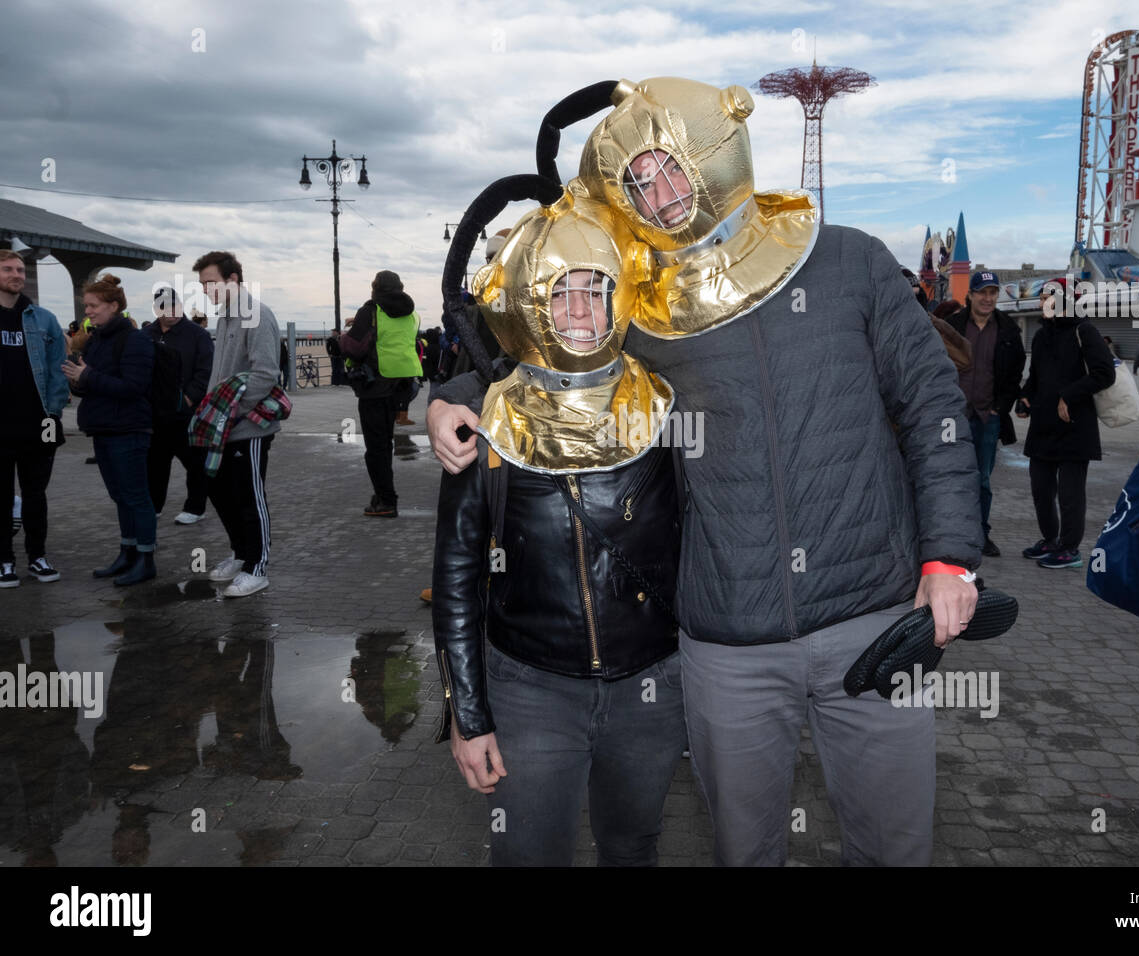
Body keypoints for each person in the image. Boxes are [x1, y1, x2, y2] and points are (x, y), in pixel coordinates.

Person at [430, 77, 981, 866]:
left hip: (875, 613)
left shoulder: (852, 262)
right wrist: (450, 398)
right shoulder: (648, 315)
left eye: (665, 167)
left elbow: (936, 408)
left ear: (707, 151)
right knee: (744, 853)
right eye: (636, 183)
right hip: (727, 646)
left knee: (895, 848)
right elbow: (546, 359)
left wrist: (950, 555)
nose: (656, 196)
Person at [435, 174, 685, 866]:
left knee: (633, 847)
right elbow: (456, 582)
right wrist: (468, 715)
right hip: (529, 686)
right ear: (533, 302)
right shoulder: (484, 421)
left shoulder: (665, 407)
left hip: (651, 684)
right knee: (527, 854)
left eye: (595, 290)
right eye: (561, 292)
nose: (580, 309)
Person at [193, 251, 281, 598]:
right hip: (221, 427)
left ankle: (257, 568)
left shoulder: (256, 315)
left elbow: (265, 374)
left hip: (248, 428)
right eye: (202, 285)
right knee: (221, 492)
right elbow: (221, 373)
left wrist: (229, 412)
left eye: (211, 282)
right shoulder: (225, 318)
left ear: (232, 280)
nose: (205, 290)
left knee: (249, 497)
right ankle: (241, 554)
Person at [61, 274, 156, 586]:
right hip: (103, 428)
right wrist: (78, 382)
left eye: (93, 305)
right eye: (86, 305)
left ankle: (145, 559)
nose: (87, 311)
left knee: (136, 496)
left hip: (129, 429)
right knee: (120, 496)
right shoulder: (97, 339)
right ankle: (127, 552)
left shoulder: (135, 339)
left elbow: (134, 387)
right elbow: (95, 383)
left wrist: (87, 377)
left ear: (114, 306)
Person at [1014, 277, 1115, 569]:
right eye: (1042, 297)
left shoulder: (1085, 330)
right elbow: (1035, 377)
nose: (1043, 301)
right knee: (1041, 489)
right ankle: (1050, 540)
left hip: (1075, 425)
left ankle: (1070, 548)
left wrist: (1067, 396)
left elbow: (1104, 373)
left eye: (1049, 296)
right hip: (1044, 425)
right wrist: (1024, 398)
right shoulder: (1042, 336)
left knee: (1071, 494)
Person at [942, 271, 1027, 557]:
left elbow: (1015, 372)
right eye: (982, 292)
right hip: (953, 416)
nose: (988, 298)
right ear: (970, 295)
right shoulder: (952, 325)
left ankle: (980, 533)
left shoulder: (1008, 329)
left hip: (986, 417)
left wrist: (999, 407)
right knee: (948, 476)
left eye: (993, 292)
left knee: (982, 480)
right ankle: (949, 534)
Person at [0, 250, 69, 588]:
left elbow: (59, 370)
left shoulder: (43, 319)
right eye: (8, 269)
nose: (17, 274)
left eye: (20, 269)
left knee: (36, 495)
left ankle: (38, 558)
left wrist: (53, 414)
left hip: (39, 423)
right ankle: (4, 562)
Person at [339, 270, 422, 517]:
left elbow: (355, 348)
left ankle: (386, 500)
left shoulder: (371, 309)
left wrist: (340, 340)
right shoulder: (411, 313)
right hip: (403, 385)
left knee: (376, 447)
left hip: (375, 386)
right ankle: (383, 494)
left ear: (375, 288)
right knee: (386, 442)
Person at [145, 286, 213, 525]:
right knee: (154, 462)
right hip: (155, 412)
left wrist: (189, 398)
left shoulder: (197, 335)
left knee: (194, 462)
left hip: (187, 412)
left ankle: (196, 507)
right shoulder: (147, 334)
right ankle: (153, 505)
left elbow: (206, 371)